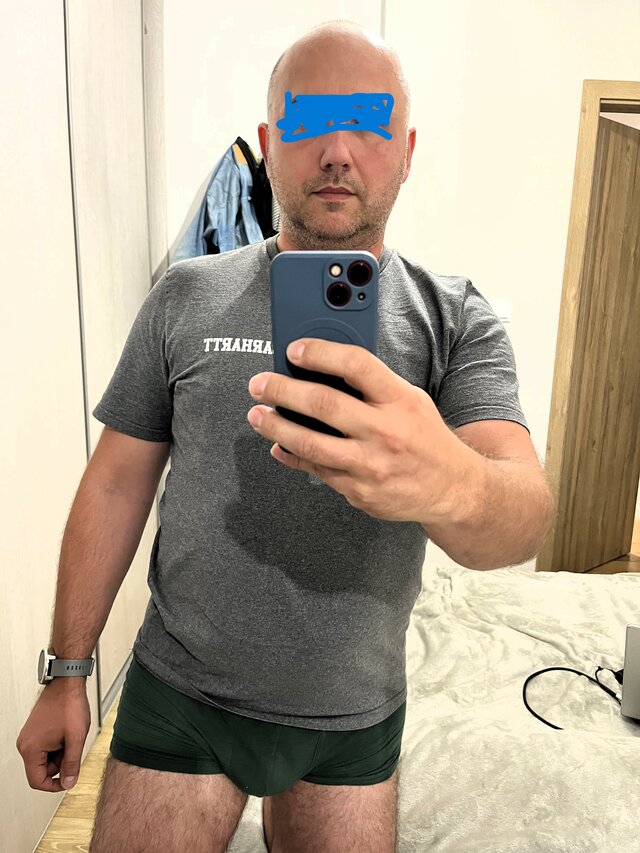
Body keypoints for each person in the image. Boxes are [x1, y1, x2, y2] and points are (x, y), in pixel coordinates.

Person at [16, 18, 555, 853]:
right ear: (269, 146)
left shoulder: (456, 318)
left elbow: (522, 517)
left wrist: (450, 479)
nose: (337, 151)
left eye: (368, 124)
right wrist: (68, 669)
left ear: (407, 152)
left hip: (353, 715)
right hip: (182, 692)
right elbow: (116, 483)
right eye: (307, 122)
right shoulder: (183, 296)